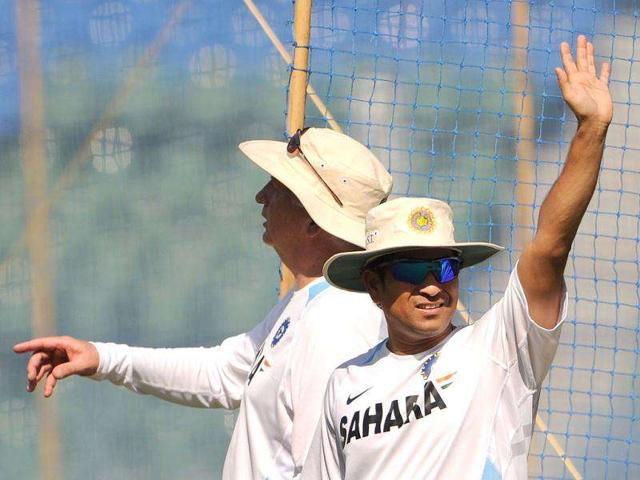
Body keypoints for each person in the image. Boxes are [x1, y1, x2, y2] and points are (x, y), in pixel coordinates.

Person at [302, 36, 612, 479]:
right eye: (411, 268)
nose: (432, 285)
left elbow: (549, 246)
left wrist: (591, 129)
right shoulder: (344, 383)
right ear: (373, 284)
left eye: (446, 267)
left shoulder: (497, 350)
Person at [13, 127, 394, 479]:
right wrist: (103, 358)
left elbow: (321, 466)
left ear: (313, 222)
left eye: (277, 185)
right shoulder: (314, 302)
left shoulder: (338, 317)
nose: (261, 195)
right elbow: (225, 372)